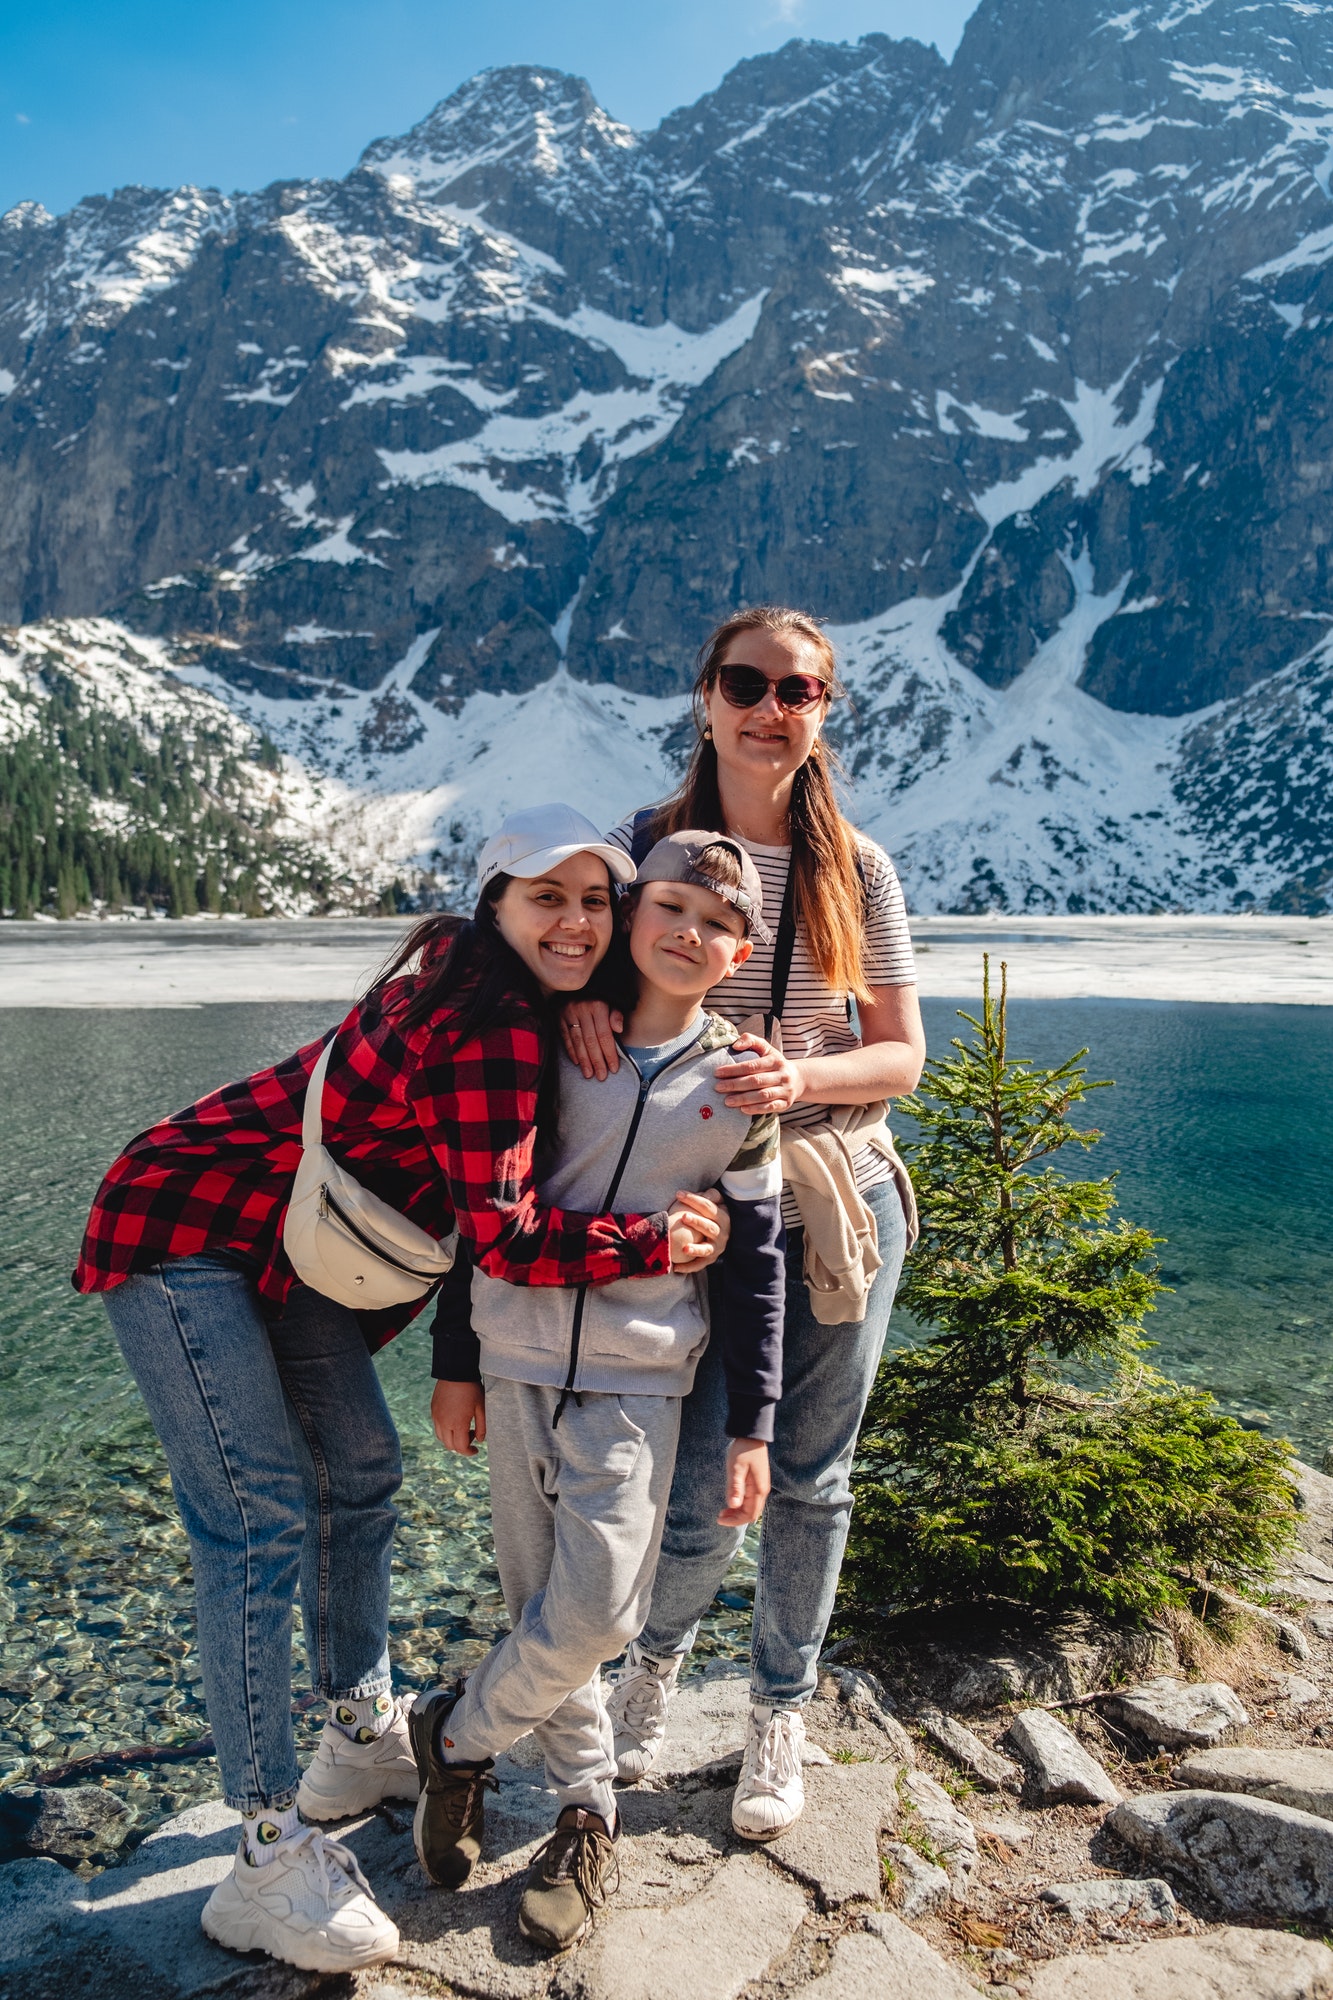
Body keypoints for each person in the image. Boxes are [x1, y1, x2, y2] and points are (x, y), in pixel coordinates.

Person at [72, 803, 724, 1976]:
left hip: (278, 1249)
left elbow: (474, 1212)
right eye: (546, 898)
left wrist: (580, 996)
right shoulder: (486, 1029)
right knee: (258, 1514)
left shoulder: (484, 981)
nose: (574, 922)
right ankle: (266, 1852)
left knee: (363, 1474)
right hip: (183, 1228)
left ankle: (362, 1735)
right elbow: (512, 1239)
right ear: (495, 904)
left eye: (593, 901)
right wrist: (654, 1238)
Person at [562, 607, 926, 1840]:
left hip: (834, 1195)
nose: (774, 707)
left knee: (809, 1475)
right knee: (694, 1477)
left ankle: (778, 1708)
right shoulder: (636, 846)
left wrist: (800, 1078)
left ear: (824, 713)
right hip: (674, 1203)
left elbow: (902, 1055)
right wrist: (579, 1015)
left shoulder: (856, 867)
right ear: (706, 696)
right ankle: (652, 1666)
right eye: (748, 682)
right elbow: (562, 965)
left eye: (803, 690)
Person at [415, 832, 786, 1952]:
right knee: (543, 1606)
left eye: (717, 922)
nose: (690, 933)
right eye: (668, 906)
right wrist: (454, 1358)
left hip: (640, 1379)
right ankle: (585, 1812)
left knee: (601, 1611)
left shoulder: (741, 1083)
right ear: (632, 916)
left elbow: (757, 1262)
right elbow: (475, 1213)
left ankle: (459, 1736)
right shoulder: (546, 1034)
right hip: (514, 1356)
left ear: (739, 948)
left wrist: (755, 1423)